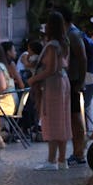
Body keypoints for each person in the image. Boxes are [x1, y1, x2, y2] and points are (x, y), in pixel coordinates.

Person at [28, 11, 72, 171]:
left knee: (52, 119)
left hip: (53, 84)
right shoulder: (64, 42)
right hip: (63, 81)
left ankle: (52, 159)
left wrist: (34, 78)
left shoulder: (53, 45)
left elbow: (51, 69)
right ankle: (61, 159)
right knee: (62, 119)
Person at [58, 7, 88, 167]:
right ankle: (78, 151)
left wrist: (81, 81)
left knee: (75, 117)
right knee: (73, 117)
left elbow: (82, 58)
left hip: (74, 81)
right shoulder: (70, 34)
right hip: (73, 80)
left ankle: (79, 152)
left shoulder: (73, 34)